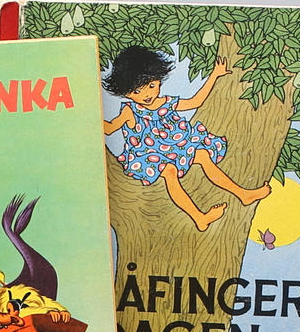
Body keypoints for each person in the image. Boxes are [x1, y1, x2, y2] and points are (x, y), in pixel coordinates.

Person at [102, 46, 270, 231]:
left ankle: (243, 194)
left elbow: (196, 101)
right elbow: (109, 129)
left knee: (203, 156)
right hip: (148, 154)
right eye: (136, 91)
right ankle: (199, 217)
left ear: (159, 80)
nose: (147, 95)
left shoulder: (166, 103)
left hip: (176, 146)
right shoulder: (130, 111)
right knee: (169, 172)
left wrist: (215, 75)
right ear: (126, 92)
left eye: (151, 86)